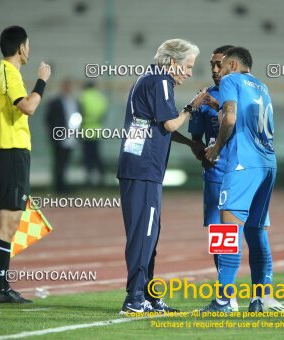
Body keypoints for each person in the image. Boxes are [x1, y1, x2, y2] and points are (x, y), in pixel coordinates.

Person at [190, 46, 284, 312]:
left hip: (242, 165)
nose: (216, 71)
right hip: (267, 163)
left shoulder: (231, 81)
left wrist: (216, 149)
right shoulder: (261, 86)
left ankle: (224, 300)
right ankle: (261, 297)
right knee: (255, 233)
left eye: (220, 66)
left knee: (225, 233)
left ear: (232, 65)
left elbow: (229, 118)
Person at [117, 39, 206, 314]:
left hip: (138, 167)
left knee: (148, 234)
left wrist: (191, 144)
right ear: (172, 62)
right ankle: (134, 299)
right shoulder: (161, 81)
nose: (190, 73)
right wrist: (191, 107)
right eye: (188, 66)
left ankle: (148, 295)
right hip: (144, 169)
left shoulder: (147, 78)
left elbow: (161, 126)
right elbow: (169, 123)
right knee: (144, 235)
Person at [0, 26, 51, 303]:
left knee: (12, 224)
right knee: (6, 225)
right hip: (11, 155)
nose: (30, 49)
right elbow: (27, 106)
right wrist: (42, 81)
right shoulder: (8, 73)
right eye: (29, 44)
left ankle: (1, 287)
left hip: (15, 156)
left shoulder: (6, 73)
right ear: (21, 47)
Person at [46, 79, 80, 193]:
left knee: (65, 162)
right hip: (60, 136)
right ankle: (58, 187)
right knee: (59, 162)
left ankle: (63, 186)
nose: (68, 88)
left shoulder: (75, 101)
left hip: (71, 136)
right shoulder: (56, 102)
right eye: (66, 86)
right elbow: (49, 119)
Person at [80, 82, 107, 186]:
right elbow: (103, 113)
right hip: (97, 130)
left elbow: (80, 112)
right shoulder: (100, 97)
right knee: (96, 154)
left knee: (88, 156)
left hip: (86, 130)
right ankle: (101, 175)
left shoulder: (83, 96)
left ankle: (89, 177)